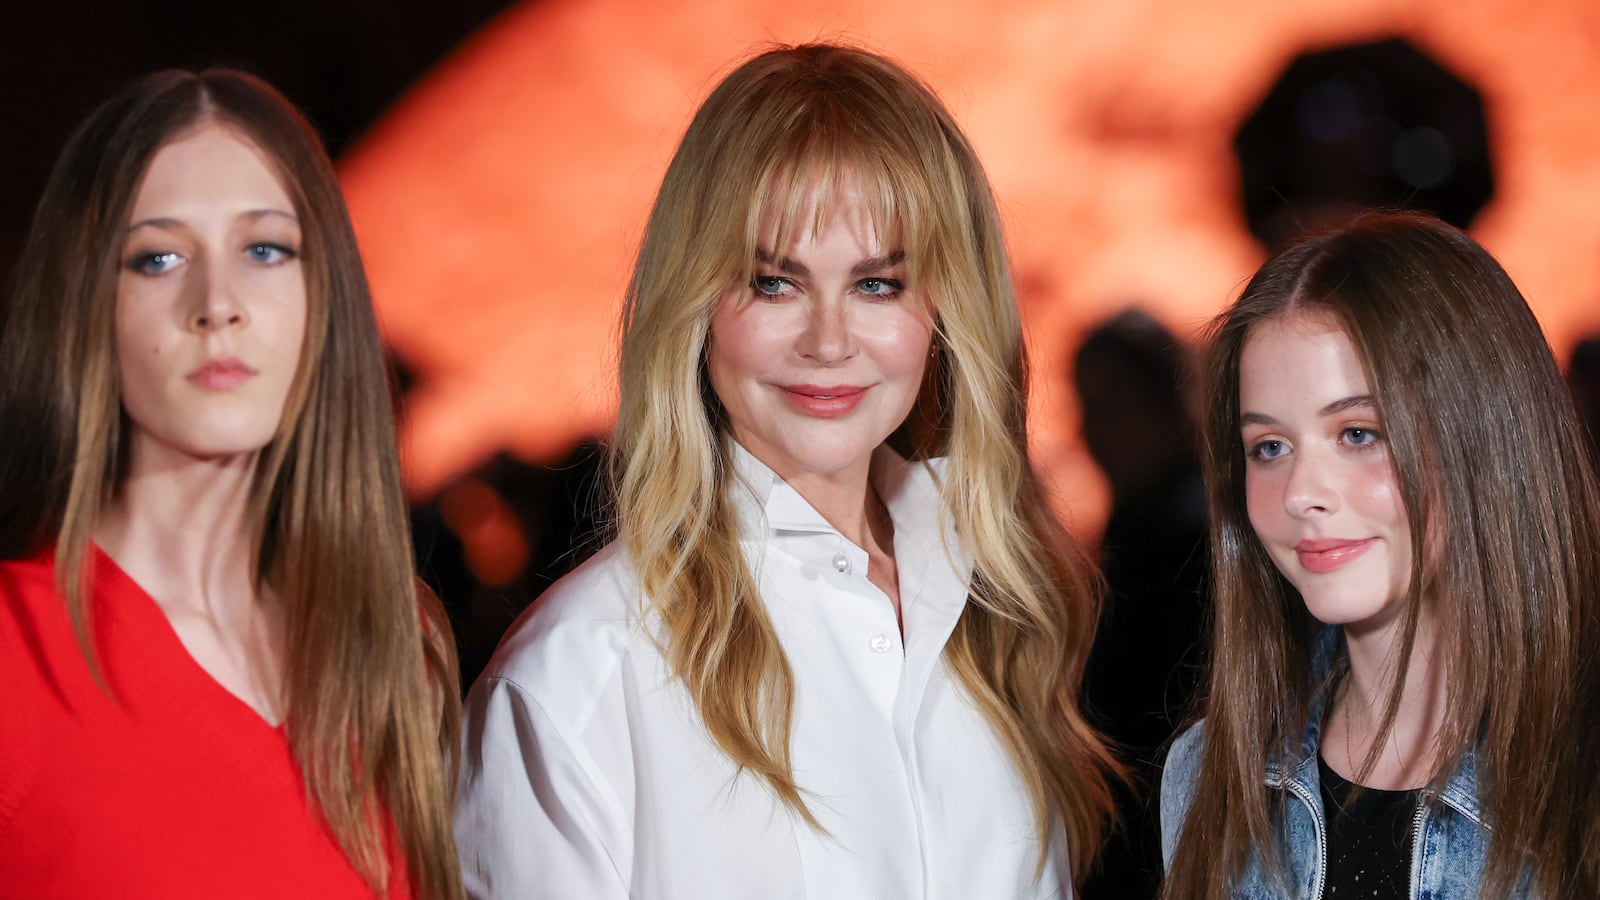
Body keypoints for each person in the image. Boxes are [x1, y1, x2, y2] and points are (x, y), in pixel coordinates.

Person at [456, 43, 1118, 898]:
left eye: (878, 284)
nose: (829, 341)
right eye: (775, 283)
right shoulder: (579, 676)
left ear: (945, 308)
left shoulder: (995, 619)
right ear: (693, 304)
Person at [0, 69, 464, 899]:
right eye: (158, 257)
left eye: (264, 250)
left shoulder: (393, 655)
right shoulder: (17, 652)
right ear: (86, 306)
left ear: (323, 296)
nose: (218, 303)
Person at [1160, 211, 1600, 899]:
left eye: (1359, 433)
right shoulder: (1210, 776)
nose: (1303, 491)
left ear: (1483, 433)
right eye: (1269, 447)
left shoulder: (1580, 779)